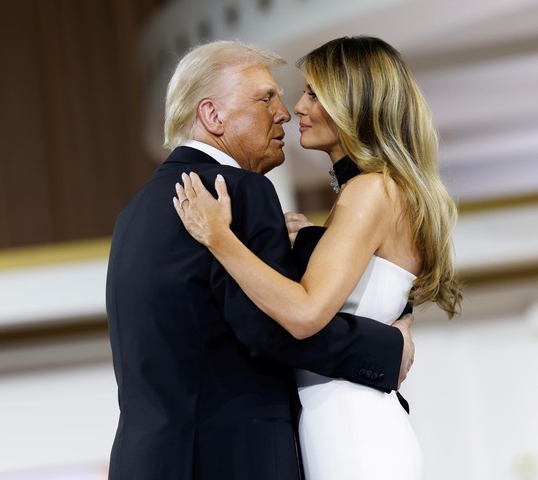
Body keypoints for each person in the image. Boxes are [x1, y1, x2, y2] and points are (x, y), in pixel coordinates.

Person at [106, 39, 415, 480]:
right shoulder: (238, 191)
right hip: (232, 461)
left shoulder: (135, 211)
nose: (285, 112)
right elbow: (274, 329)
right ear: (213, 116)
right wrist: (388, 346)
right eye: (266, 98)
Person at [173, 36, 462, 479]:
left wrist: (219, 238)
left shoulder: (371, 190)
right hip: (339, 420)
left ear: (354, 103)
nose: (296, 109)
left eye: (312, 93)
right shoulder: (374, 191)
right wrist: (311, 237)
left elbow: (306, 313)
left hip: (353, 431)